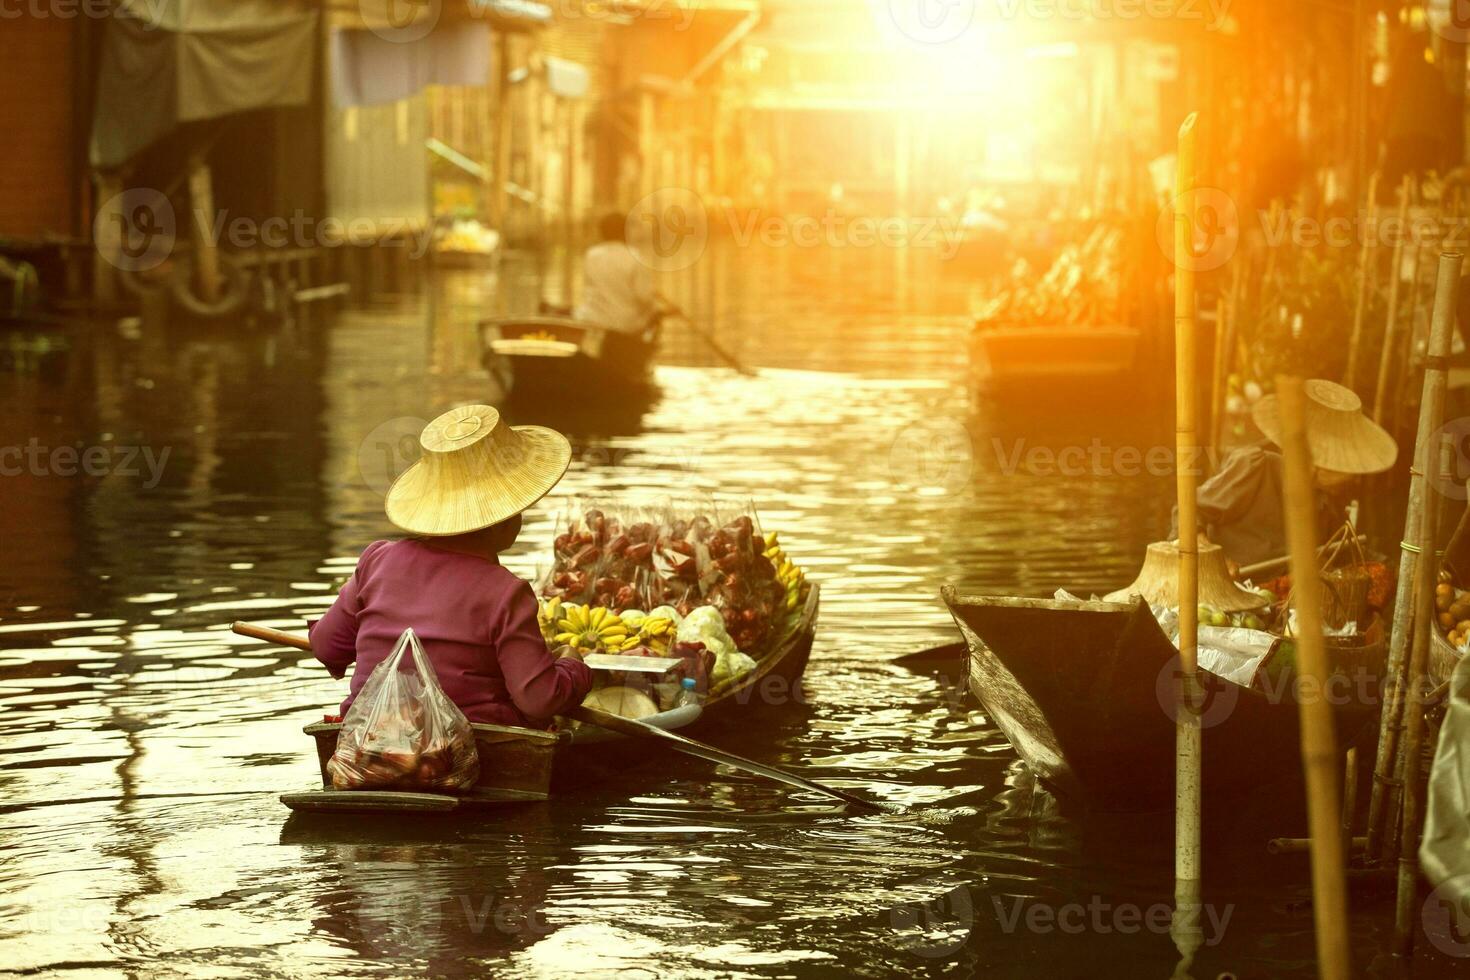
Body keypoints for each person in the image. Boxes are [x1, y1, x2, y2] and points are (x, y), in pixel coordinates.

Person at [309, 404, 593, 728]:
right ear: (503, 521)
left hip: (368, 738)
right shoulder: (505, 592)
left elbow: (326, 647)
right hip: (464, 745)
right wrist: (575, 666)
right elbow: (540, 699)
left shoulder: (376, 560)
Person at [1173, 379, 1398, 569]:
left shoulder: (1327, 499)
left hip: (1285, 600)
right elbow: (1187, 511)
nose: (1354, 477)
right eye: (1347, 468)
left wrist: (1393, 568)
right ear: (1317, 464)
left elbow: (1347, 548)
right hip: (1229, 591)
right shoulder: (1256, 466)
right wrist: (1211, 556)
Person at [574, 212, 662, 335]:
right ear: (624, 232)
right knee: (653, 314)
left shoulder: (591, 254)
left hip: (591, 320)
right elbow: (644, 297)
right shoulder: (634, 256)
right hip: (624, 325)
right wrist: (656, 309)